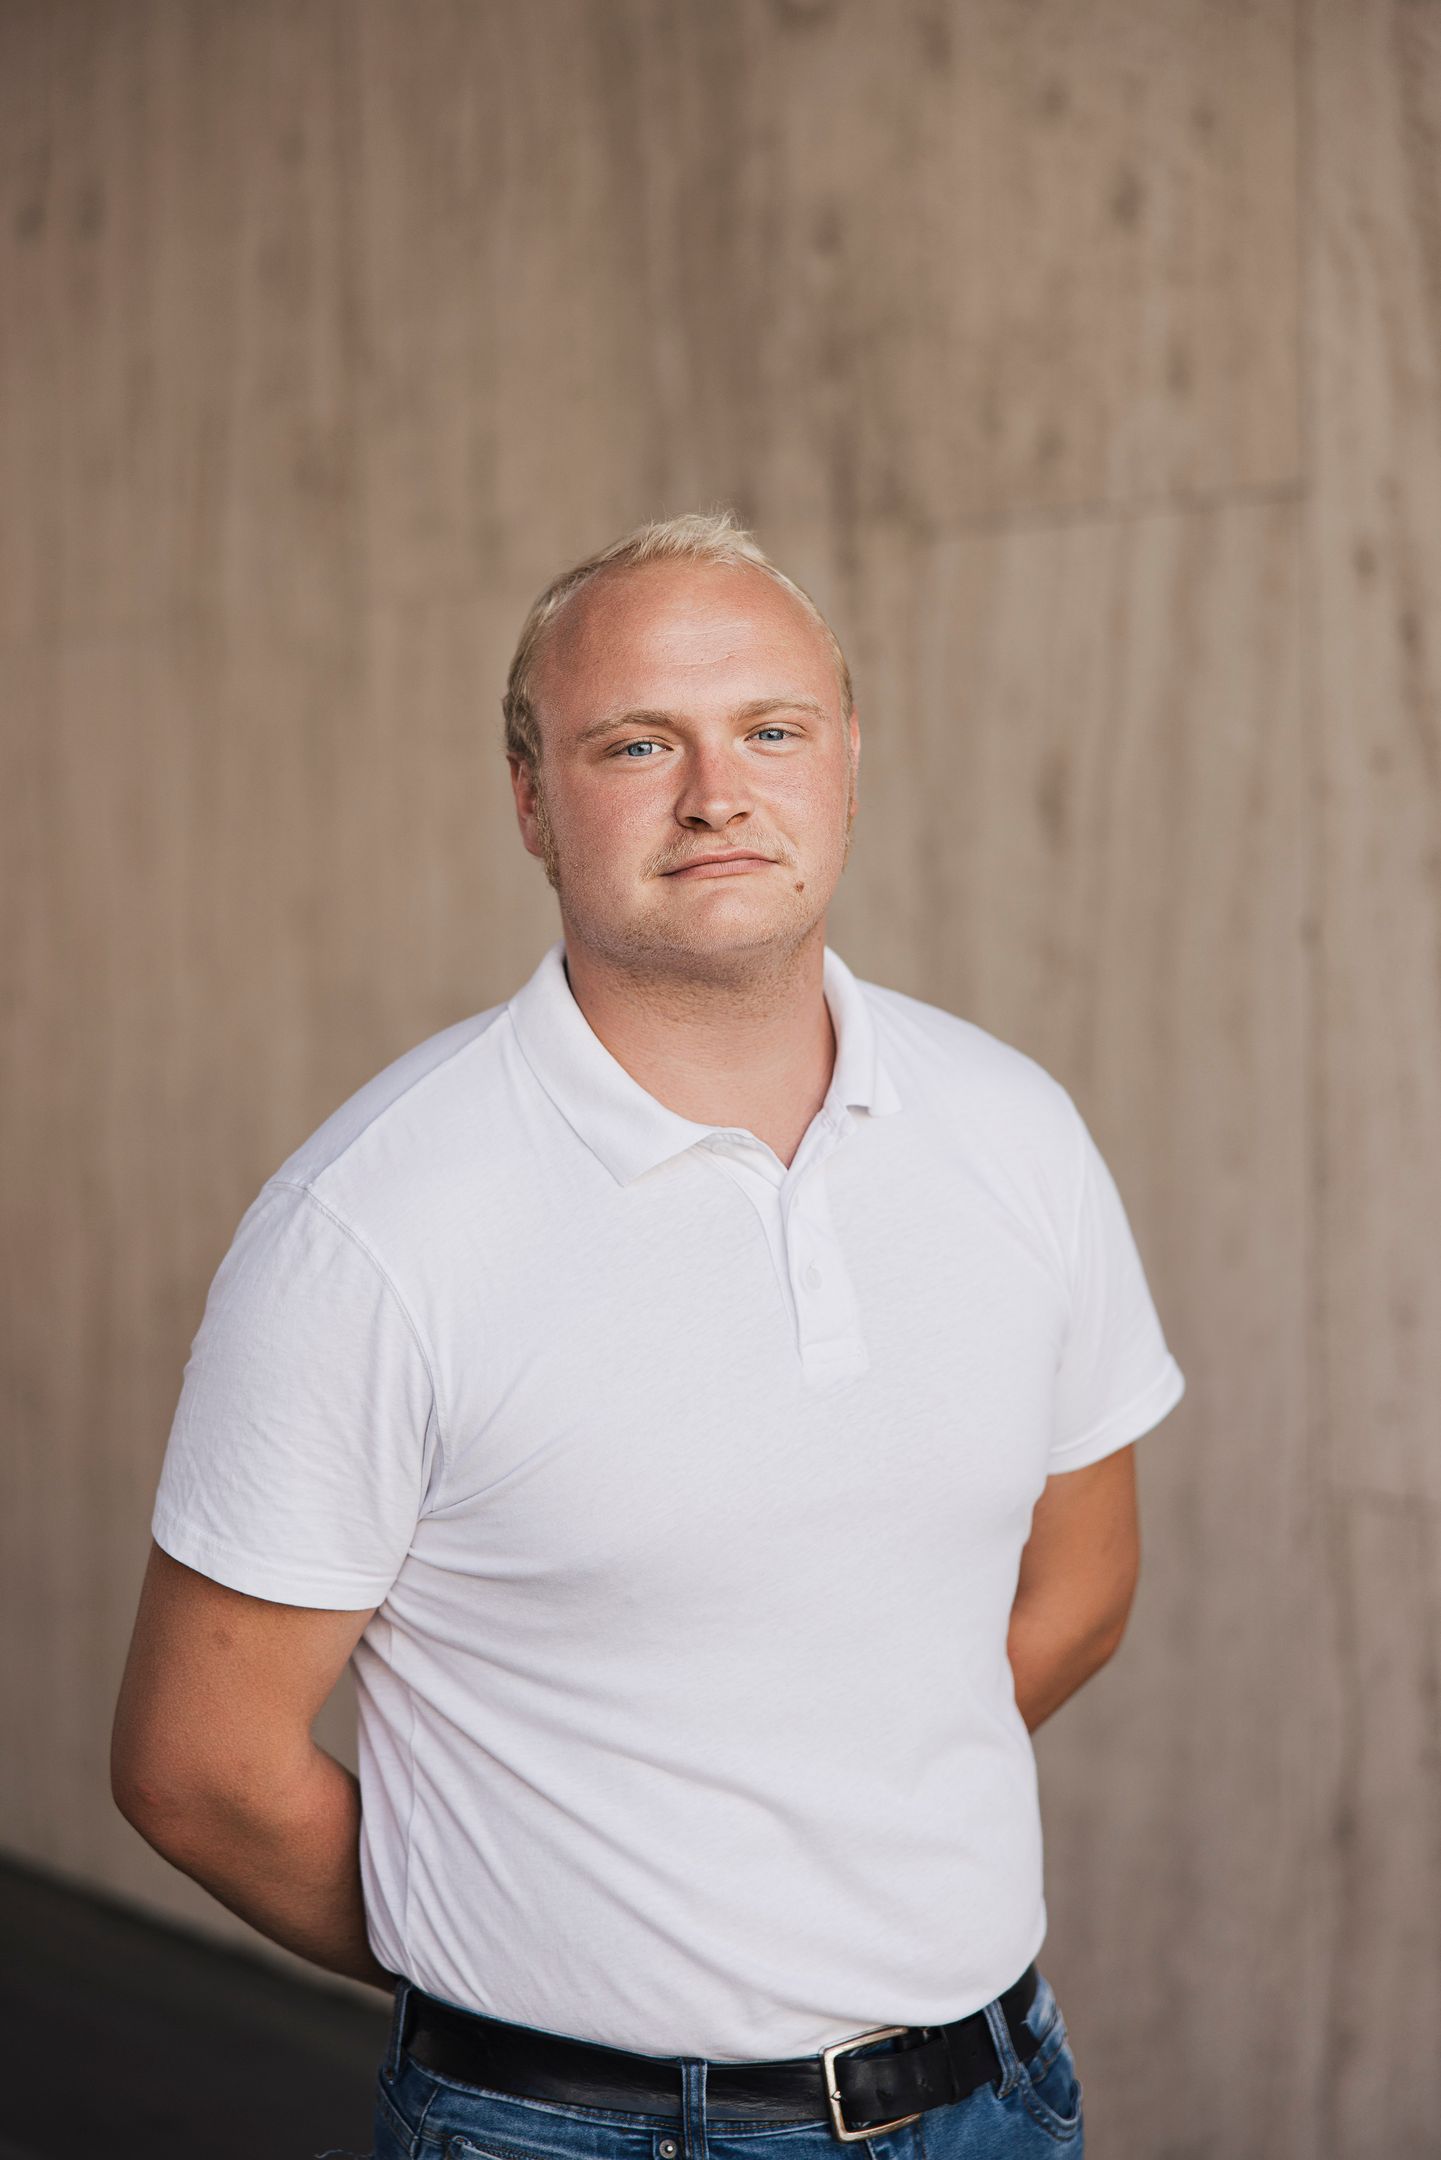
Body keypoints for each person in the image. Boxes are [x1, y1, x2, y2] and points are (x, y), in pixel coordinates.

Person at [112, 509, 1186, 2159]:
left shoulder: (1013, 1130)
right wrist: (529, 1956)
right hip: (569, 2131)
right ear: (530, 803)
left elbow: (1080, 1589)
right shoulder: (372, 1229)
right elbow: (200, 1769)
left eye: (772, 730)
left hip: (992, 2099)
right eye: (635, 743)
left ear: (848, 763)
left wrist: (804, 1868)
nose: (715, 793)